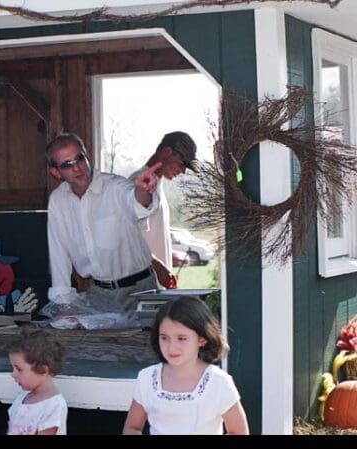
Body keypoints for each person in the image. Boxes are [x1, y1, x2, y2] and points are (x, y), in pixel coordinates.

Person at [46, 132, 163, 310]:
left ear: (87, 156)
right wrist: (63, 305)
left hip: (141, 291)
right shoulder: (58, 200)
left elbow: (137, 203)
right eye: (67, 165)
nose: (77, 168)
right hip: (99, 294)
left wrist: (144, 190)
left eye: (79, 158)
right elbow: (58, 253)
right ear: (56, 172)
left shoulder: (114, 186)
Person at [123, 296, 249, 435]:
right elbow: (132, 428)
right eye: (164, 337)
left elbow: (239, 432)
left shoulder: (218, 382)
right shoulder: (146, 378)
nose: (172, 347)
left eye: (181, 338)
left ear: (202, 339)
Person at [130, 131, 199, 289]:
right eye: (182, 164)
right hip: (142, 290)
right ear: (167, 152)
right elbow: (126, 238)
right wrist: (158, 267)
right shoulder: (138, 184)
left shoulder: (158, 185)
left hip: (156, 289)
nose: (183, 171)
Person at [7, 327, 67, 435]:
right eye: (13, 368)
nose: (13, 374)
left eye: (19, 369)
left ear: (42, 369)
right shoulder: (23, 397)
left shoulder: (53, 405)